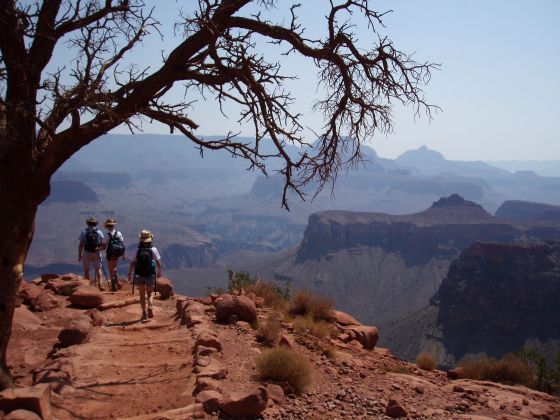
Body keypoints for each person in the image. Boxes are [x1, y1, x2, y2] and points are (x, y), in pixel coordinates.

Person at [128, 230, 162, 320]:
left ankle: (144, 313)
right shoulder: (153, 249)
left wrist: (129, 273)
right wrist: (159, 272)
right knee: (150, 293)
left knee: (142, 295)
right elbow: (158, 262)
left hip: (139, 275)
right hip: (150, 274)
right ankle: (150, 306)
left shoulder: (136, 249)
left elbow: (132, 263)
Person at [78, 217, 105, 290]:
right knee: (98, 268)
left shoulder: (84, 232)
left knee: (86, 269)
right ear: (95, 224)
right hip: (96, 252)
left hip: (86, 252)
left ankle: (88, 286)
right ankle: (100, 284)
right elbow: (103, 243)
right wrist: (100, 249)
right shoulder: (99, 232)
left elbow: (81, 244)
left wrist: (79, 255)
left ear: (88, 224)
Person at [102, 218, 126, 292]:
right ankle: (118, 283)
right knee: (114, 267)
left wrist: (98, 248)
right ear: (113, 226)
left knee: (111, 269)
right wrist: (123, 254)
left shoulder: (107, 235)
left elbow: (104, 246)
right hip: (117, 253)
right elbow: (121, 243)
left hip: (110, 253)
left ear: (107, 226)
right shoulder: (118, 233)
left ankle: (113, 286)